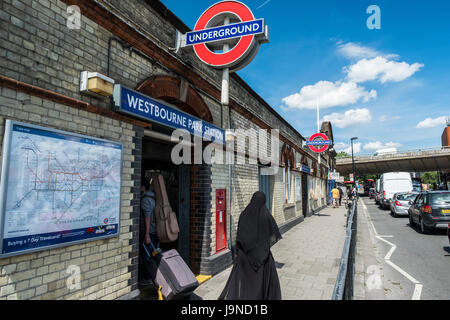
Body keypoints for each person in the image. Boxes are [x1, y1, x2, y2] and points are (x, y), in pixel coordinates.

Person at [218, 191, 282, 300]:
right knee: (260, 284)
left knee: (246, 284)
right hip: (263, 258)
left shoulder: (244, 214)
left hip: (245, 257)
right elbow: (273, 234)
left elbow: (239, 236)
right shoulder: (266, 216)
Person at [140, 178, 158, 286]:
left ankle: (148, 278)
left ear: (143, 188)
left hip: (150, 233)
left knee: (147, 257)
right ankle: (154, 276)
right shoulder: (153, 197)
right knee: (153, 255)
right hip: (155, 231)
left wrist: (146, 234)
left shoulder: (146, 199)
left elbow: (147, 217)